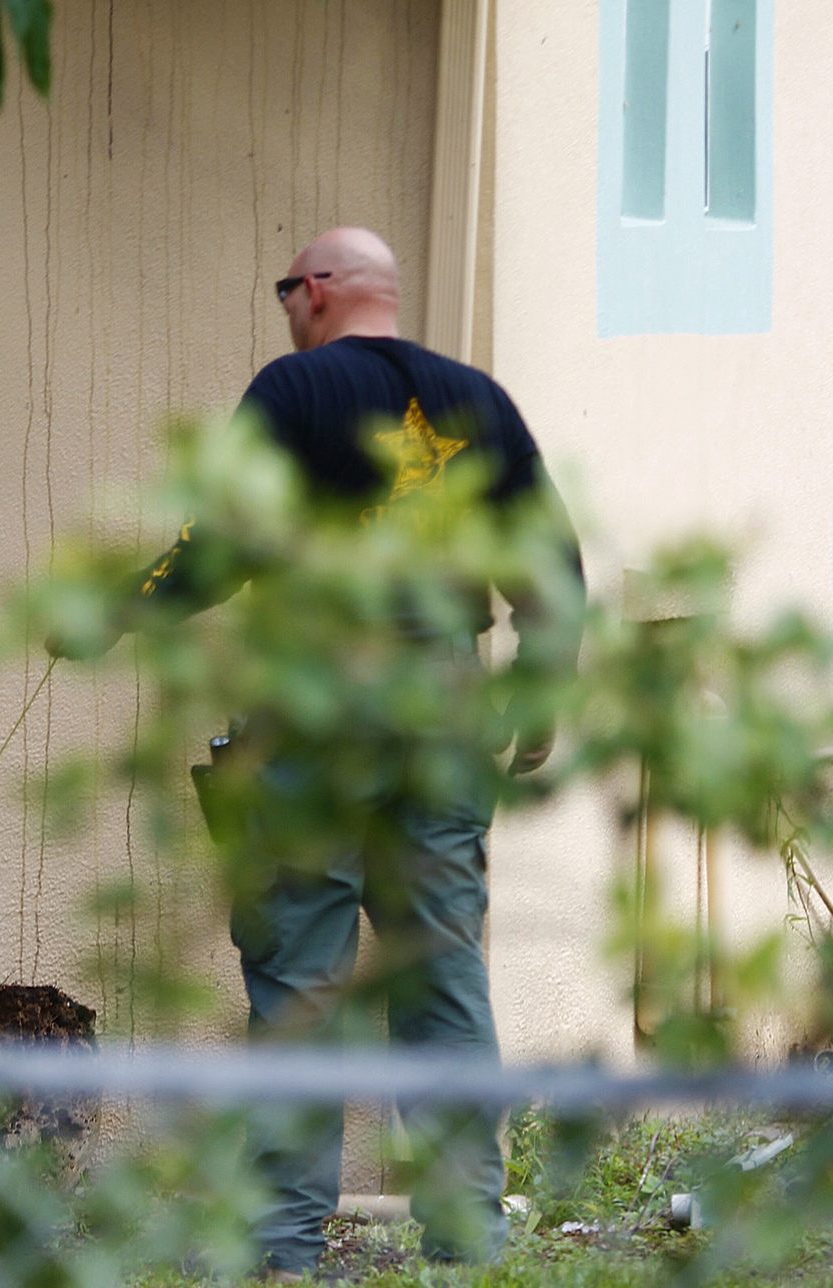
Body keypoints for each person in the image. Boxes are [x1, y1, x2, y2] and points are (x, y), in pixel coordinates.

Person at [55, 228, 583, 1280]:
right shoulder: (479, 398)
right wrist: (542, 691)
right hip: (444, 706)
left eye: (288, 286)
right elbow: (551, 562)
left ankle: (285, 1250)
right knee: (443, 971)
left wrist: (118, 609)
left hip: (317, 700)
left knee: (299, 976)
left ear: (325, 291)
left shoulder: (293, 390)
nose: (286, 304)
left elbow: (223, 548)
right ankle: (466, 1241)